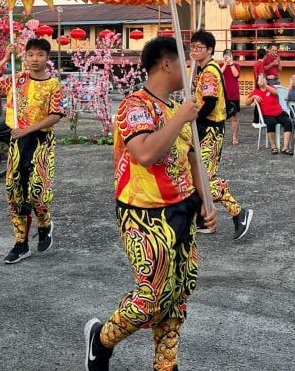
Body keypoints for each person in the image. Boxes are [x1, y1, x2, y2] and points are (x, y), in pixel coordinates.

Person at [83, 36, 216, 371]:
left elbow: (192, 159)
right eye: (185, 62)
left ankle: (165, 363)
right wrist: (181, 118)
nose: (191, 70)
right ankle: (101, 339)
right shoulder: (135, 106)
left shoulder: (178, 108)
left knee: (179, 293)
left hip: (183, 209)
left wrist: (206, 201)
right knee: (151, 298)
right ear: (167, 63)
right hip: (144, 214)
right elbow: (144, 153)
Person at [0, 38, 64, 264]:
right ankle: (21, 244)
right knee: (15, 191)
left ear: (47, 58)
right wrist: (6, 59)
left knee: (38, 191)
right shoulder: (17, 80)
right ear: (25, 57)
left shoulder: (53, 84)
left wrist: (27, 128)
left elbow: (55, 115)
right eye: (30, 55)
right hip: (18, 142)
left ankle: (45, 224)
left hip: (41, 141)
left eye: (39, 55)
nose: (34, 59)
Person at [189, 31, 253, 239]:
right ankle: (204, 219)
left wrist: (193, 119)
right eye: (193, 47)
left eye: (199, 47)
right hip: (207, 128)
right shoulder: (203, 69)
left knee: (205, 179)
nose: (194, 51)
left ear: (209, 50)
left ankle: (239, 212)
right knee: (196, 175)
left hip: (210, 129)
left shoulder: (208, 71)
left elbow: (210, 103)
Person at [244, 73, 293, 154]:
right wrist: (253, 97)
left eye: (264, 79)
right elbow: (247, 103)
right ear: (257, 82)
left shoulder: (271, 87)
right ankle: (273, 146)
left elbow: (276, 93)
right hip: (267, 114)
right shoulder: (256, 91)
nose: (262, 80)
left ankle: (285, 147)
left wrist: (266, 86)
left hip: (279, 112)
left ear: (267, 80)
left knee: (288, 122)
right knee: (271, 123)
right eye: (260, 79)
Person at [220, 48, 241, 146]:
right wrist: (225, 63)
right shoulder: (220, 65)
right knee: (220, 117)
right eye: (226, 56)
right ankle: (219, 136)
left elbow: (236, 75)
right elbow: (219, 74)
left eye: (229, 55)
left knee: (234, 117)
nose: (227, 57)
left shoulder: (236, 65)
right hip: (223, 95)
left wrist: (231, 63)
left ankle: (235, 137)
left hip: (233, 94)